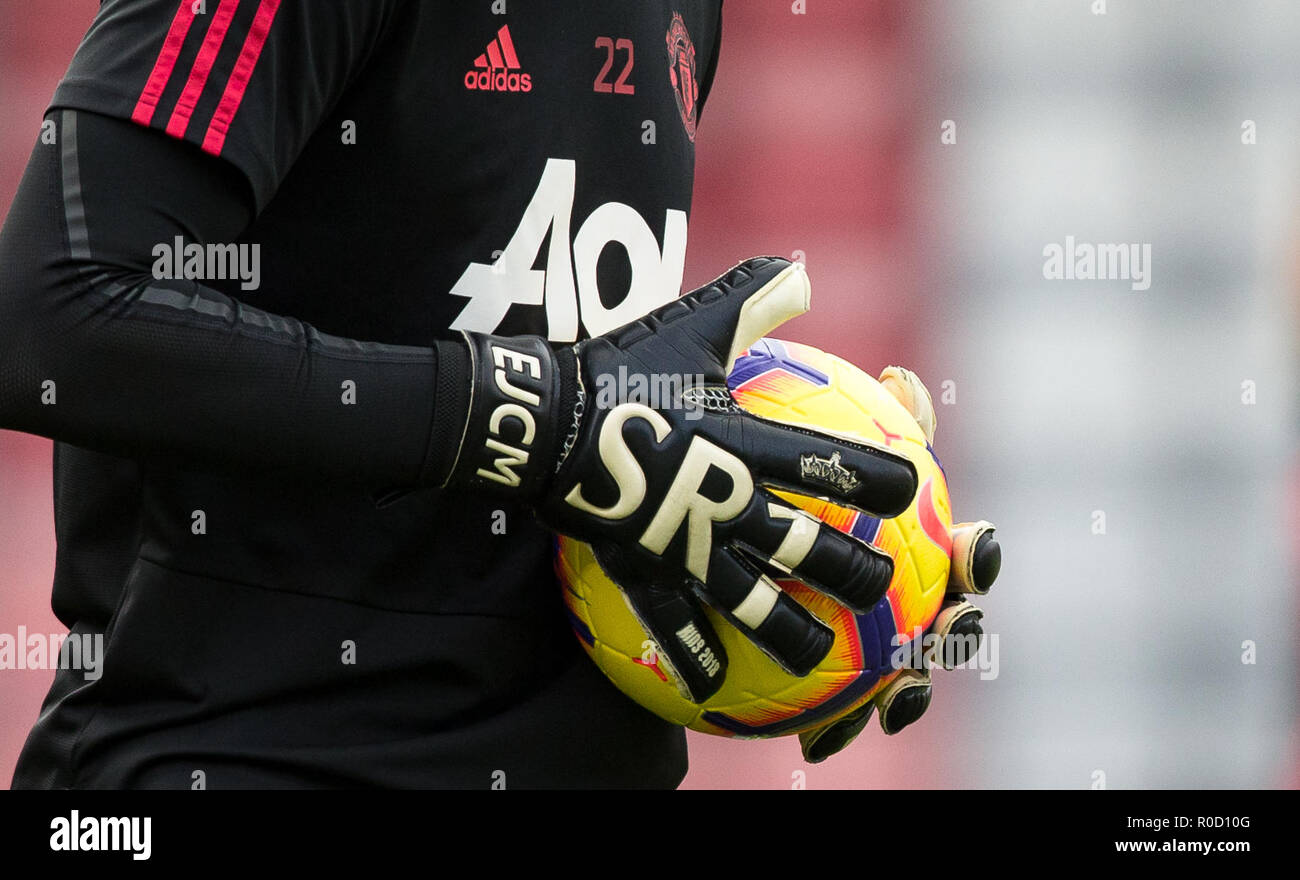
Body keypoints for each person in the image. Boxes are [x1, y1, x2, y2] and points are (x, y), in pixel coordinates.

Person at [0, 0, 998, 789]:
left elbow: (584, 417)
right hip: (253, 753)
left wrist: (826, 557)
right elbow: (52, 313)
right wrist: (532, 418)